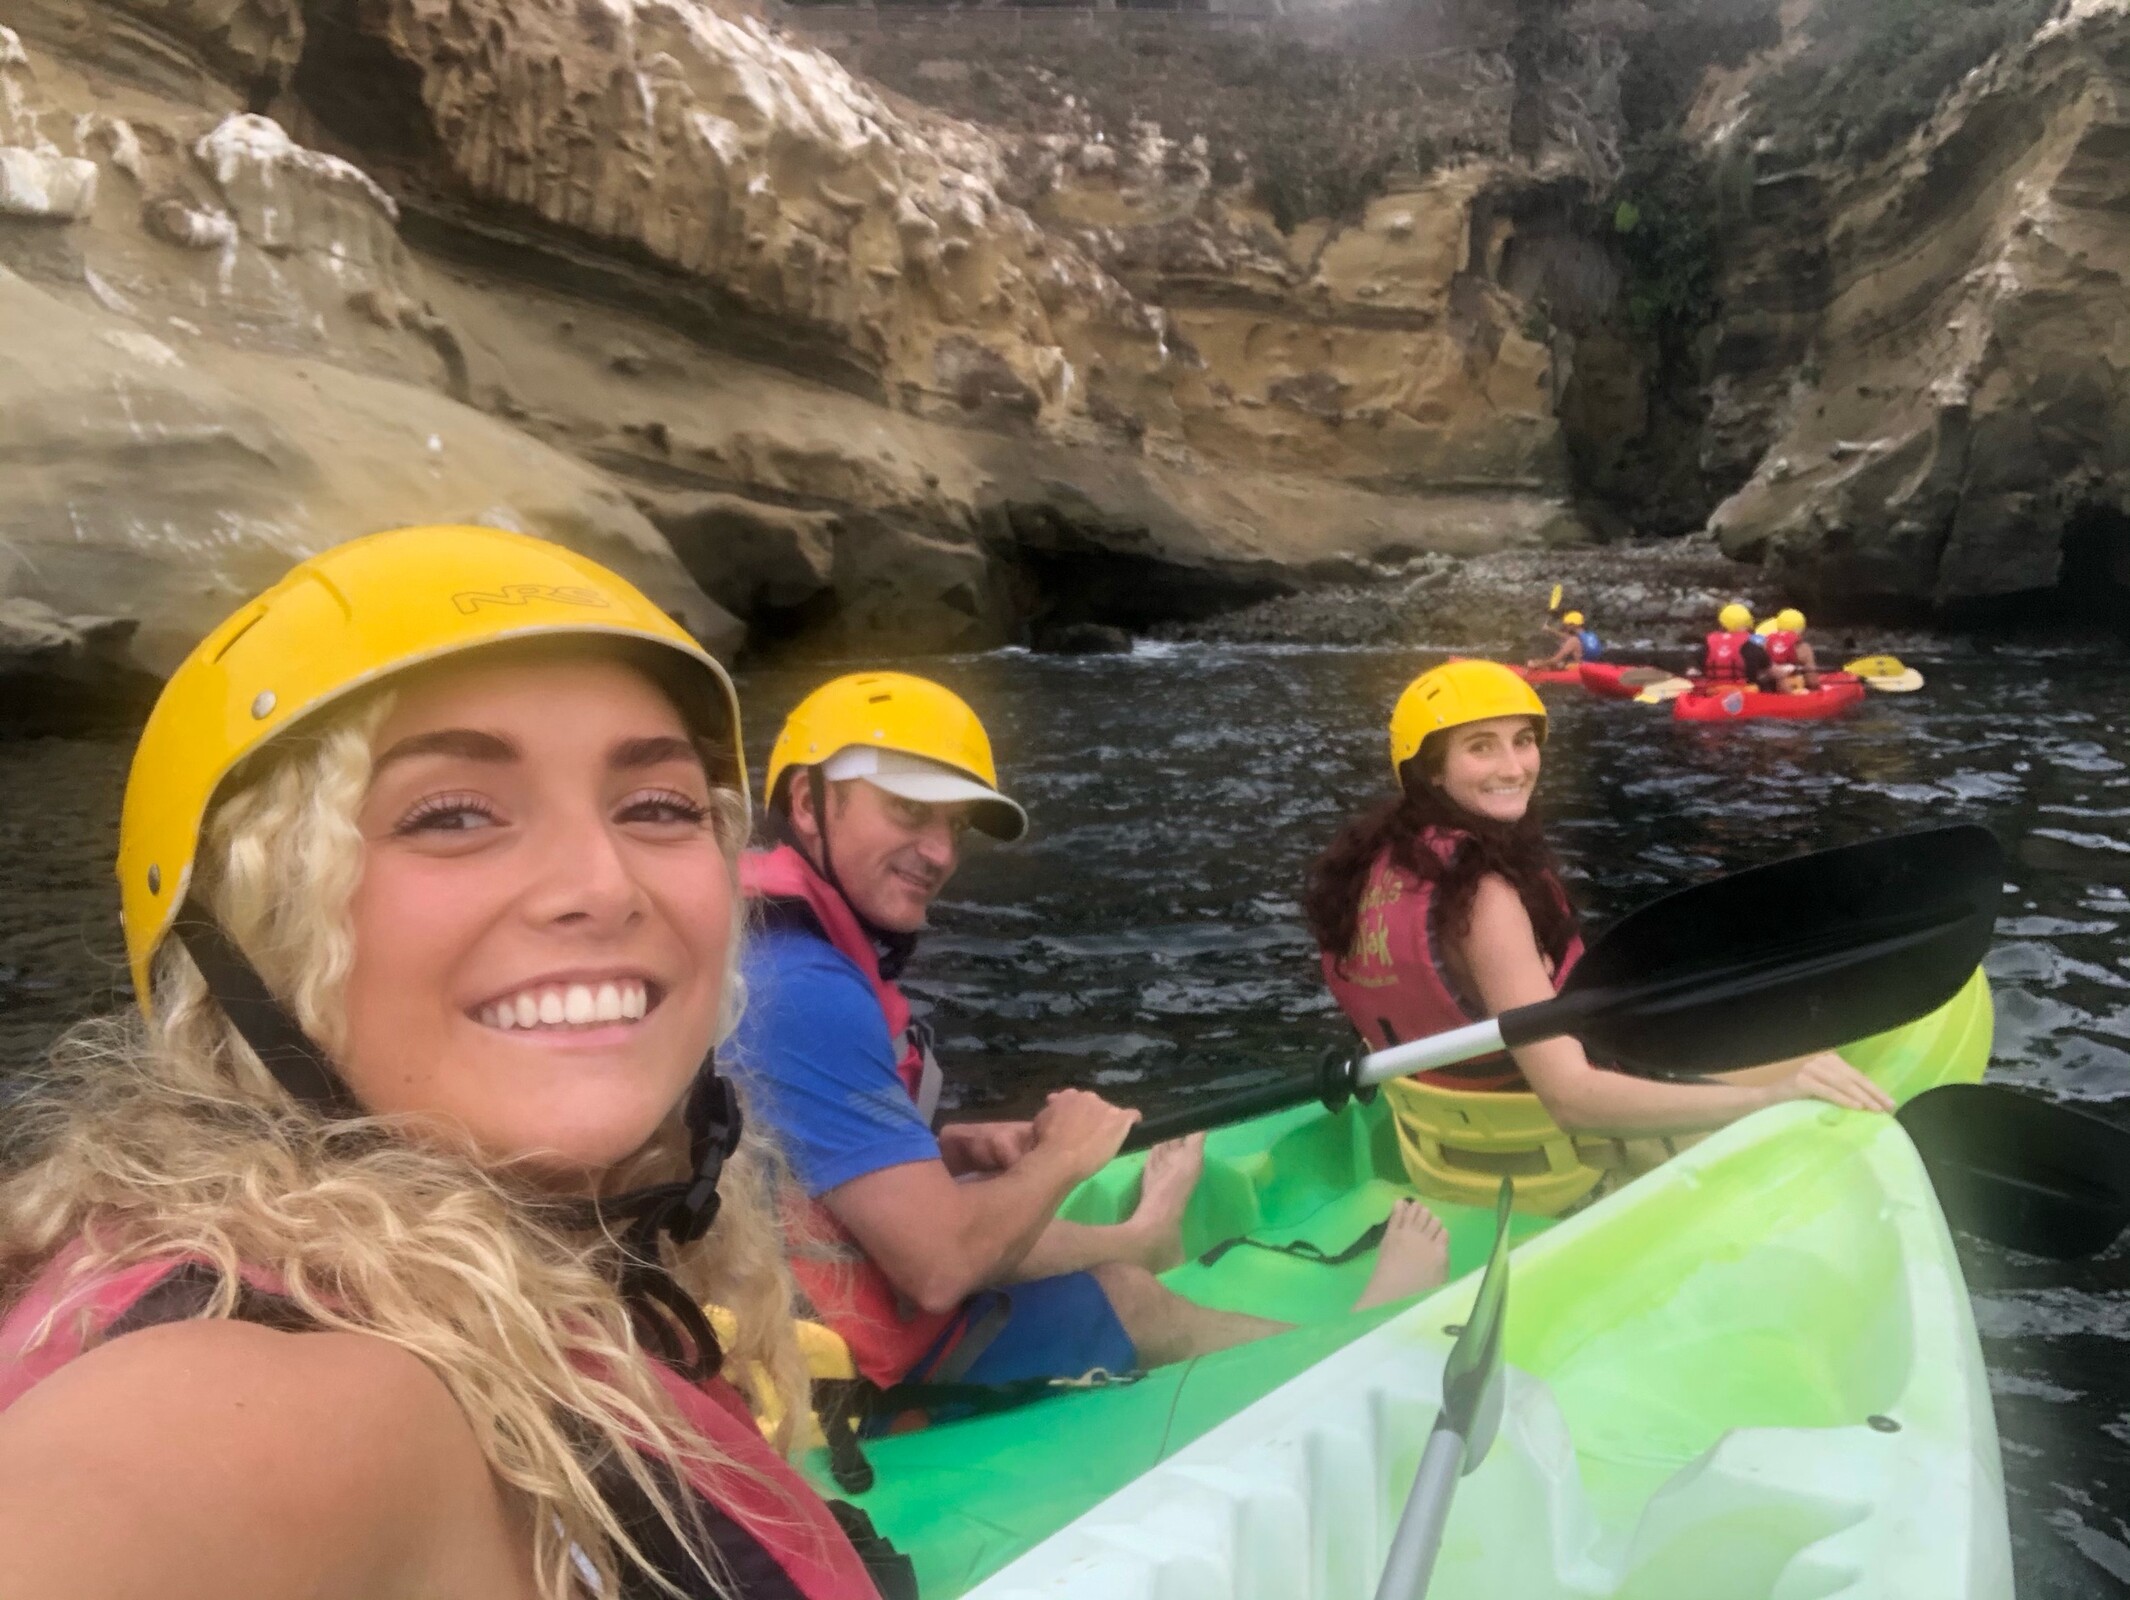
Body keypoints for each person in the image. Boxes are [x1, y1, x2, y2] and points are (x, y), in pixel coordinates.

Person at [0, 525, 892, 1600]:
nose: (603, 883)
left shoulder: (569, 1281)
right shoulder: (265, 1405)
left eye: (657, 806)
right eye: (454, 814)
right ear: (245, 932)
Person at [725, 672, 1448, 1399]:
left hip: (795, 1286)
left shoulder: (771, 949)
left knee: (973, 1184)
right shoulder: (804, 989)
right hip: (837, 1370)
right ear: (807, 804)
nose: (940, 852)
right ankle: (1357, 1352)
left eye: (956, 826)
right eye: (909, 810)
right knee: (1133, 1301)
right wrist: (1065, 1158)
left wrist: (946, 1146)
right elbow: (938, 1270)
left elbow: (787, 1151)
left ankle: (1142, 1239)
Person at [1304, 660, 1895, 1151]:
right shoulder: (1484, 898)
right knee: (1812, 1065)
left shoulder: (1372, 864)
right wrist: (1770, 1100)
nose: (1514, 768)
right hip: (1548, 1150)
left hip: (1439, 1130)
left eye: (1523, 741)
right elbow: (1572, 1100)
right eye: (1480, 749)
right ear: (1431, 769)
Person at [1695, 602, 1765, 687]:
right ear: (1748, 624)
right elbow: (1773, 670)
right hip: (1745, 695)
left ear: (1721, 624)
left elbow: (1697, 669)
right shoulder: (1752, 648)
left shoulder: (1705, 648)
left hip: (1714, 694)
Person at [1760, 608, 1822, 692]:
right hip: (1791, 694)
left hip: (1766, 691)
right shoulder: (1803, 647)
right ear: (1801, 628)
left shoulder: (1765, 643)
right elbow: (1812, 681)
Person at [1526, 610, 1603, 671]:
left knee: (1554, 664)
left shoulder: (1573, 641)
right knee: (1561, 663)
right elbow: (1568, 637)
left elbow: (1555, 660)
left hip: (1580, 669)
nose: (1564, 625)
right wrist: (1549, 629)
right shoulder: (1591, 635)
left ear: (1573, 625)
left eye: (1566, 624)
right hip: (1593, 665)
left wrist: (1536, 664)